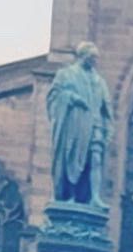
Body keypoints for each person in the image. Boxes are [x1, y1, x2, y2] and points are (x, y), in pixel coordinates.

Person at [46, 41, 113, 208]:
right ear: (83, 56)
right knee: (72, 158)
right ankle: (70, 195)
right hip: (75, 126)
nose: (95, 61)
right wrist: (72, 98)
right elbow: (54, 96)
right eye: (93, 57)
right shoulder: (66, 74)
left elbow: (106, 107)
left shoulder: (99, 81)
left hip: (96, 124)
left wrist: (109, 127)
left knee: (95, 159)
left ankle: (95, 197)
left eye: (96, 58)